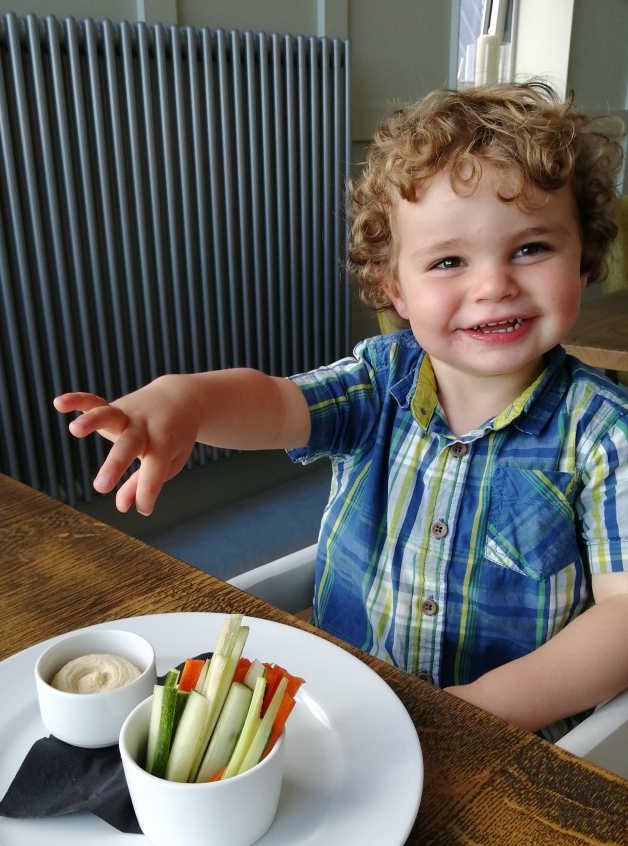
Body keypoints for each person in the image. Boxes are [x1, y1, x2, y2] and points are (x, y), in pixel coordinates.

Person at [55, 81, 628, 742]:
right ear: (395, 289)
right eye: (448, 261)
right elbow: (276, 405)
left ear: (584, 260)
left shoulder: (605, 434)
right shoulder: (378, 380)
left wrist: (473, 710)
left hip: (503, 743)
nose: (494, 285)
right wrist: (187, 400)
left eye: (530, 249)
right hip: (347, 715)